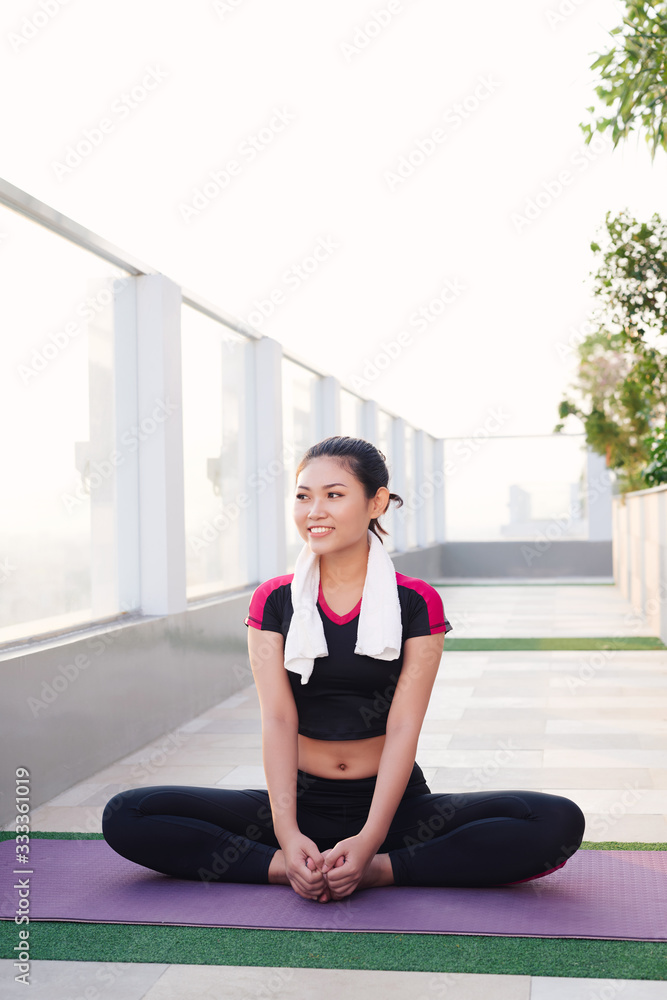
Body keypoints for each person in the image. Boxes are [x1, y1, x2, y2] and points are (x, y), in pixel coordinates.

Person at [102, 435, 585, 902]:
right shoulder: (274, 600)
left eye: (334, 495)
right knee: (128, 814)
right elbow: (278, 719)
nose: (315, 511)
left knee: (555, 821)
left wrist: (372, 841)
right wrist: (288, 837)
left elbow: (403, 726)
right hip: (297, 799)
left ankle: (381, 871)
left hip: (393, 807)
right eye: (303, 496)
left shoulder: (415, 602)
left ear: (376, 503)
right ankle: (283, 868)